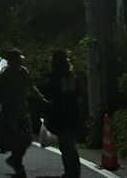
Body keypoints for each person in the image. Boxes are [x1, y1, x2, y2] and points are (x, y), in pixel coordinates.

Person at [0, 49, 47, 178]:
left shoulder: (23, 71)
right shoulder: (4, 75)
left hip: (23, 109)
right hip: (10, 111)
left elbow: (31, 85)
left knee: (27, 138)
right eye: (18, 59)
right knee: (17, 138)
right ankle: (18, 165)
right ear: (12, 61)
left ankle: (15, 160)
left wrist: (41, 98)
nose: (20, 61)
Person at [45, 50, 80, 178]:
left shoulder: (55, 76)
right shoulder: (71, 74)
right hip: (72, 112)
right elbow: (77, 93)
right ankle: (73, 172)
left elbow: (51, 94)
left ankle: (71, 172)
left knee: (66, 146)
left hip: (61, 114)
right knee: (69, 144)